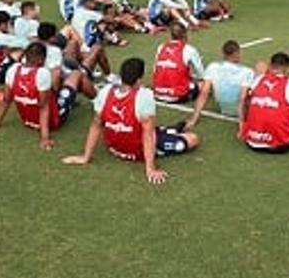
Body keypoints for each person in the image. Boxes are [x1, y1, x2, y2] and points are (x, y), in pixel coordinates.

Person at [64, 57, 199, 183]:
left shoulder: (105, 92)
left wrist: (85, 156)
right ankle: (169, 131)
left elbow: (96, 125)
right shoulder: (144, 96)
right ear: (139, 80)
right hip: (136, 150)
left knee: (150, 127)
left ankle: (169, 130)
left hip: (114, 147)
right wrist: (150, 168)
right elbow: (148, 135)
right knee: (193, 139)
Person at [0, 42, 68, 149]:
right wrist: (45, 138)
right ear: (41, 59)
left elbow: (6, 100)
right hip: (52, 122)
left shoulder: (13, 70)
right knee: (75, 78)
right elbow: (44, 107)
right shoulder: (43, 73)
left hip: (27, 120)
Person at [240, 53, 289, 153]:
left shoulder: (258, 79)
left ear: (270, 66)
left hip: (252, 141)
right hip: (279, 145)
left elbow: (245, 100)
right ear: (287, 68)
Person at [150, 22, 206, 112]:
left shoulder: (161, 47)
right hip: (177, 96)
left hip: (157, 93)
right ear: (185, 34)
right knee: (204, 84)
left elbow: (155, 70)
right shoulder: (189, 49)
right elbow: (202, 75)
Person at [199, 39, 257, 123]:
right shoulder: (247, 72)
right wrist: (242, 122)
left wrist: (194, 117)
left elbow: (203, 93)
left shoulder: (212, 67)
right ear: (237, 53)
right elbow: (242, 98)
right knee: (261, 67)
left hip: (224, 109)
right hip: (243, 111)